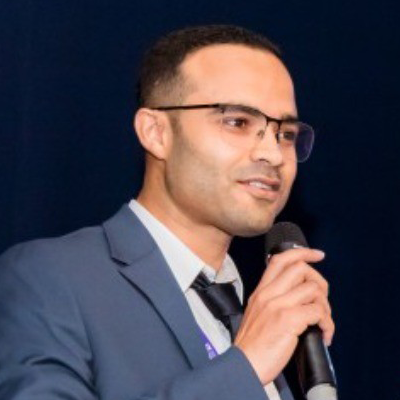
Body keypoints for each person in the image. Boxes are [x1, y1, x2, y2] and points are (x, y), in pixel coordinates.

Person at [0, 25, 334, 400]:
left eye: (285, 134)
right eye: (238, 122)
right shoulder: (50, 278)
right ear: (156, 132)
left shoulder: (253, 312)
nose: (273, 154)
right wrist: (247, 366)